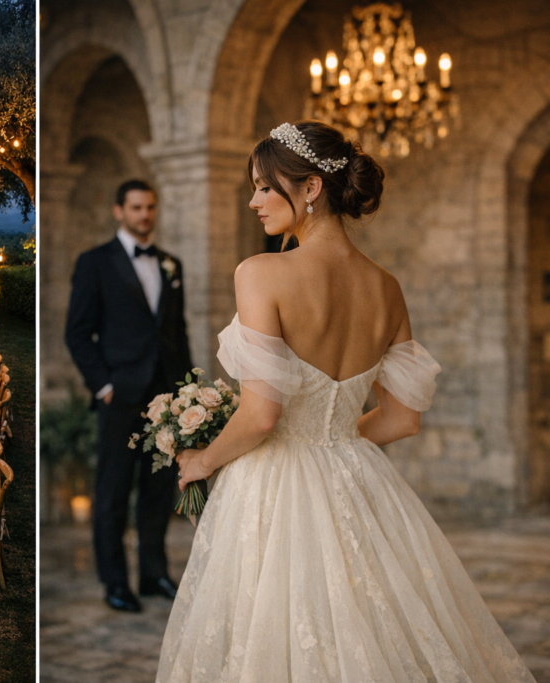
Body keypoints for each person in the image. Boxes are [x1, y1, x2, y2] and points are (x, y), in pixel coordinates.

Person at [156, 121, 536, 682]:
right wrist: (331, 442)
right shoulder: (386, 286)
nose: (254, 201)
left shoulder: (260, 273)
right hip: (358, 481)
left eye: (265, 186)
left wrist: (201, 461)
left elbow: (262, 415)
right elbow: (404, 419)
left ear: (311, 188)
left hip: (272, 487)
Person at [65, 179, 192, 613]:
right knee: (113, 492)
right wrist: (104, 386)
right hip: (120, 398)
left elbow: (178, 333)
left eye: (151, 207)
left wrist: (187, 393)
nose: (145, 215)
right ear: (119, 210)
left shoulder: (172, 264)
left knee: (159, 489)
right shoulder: (95, 262)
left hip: (167, 401)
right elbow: (78, 333)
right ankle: (115, 582)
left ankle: (154, 573)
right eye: (137, 207)